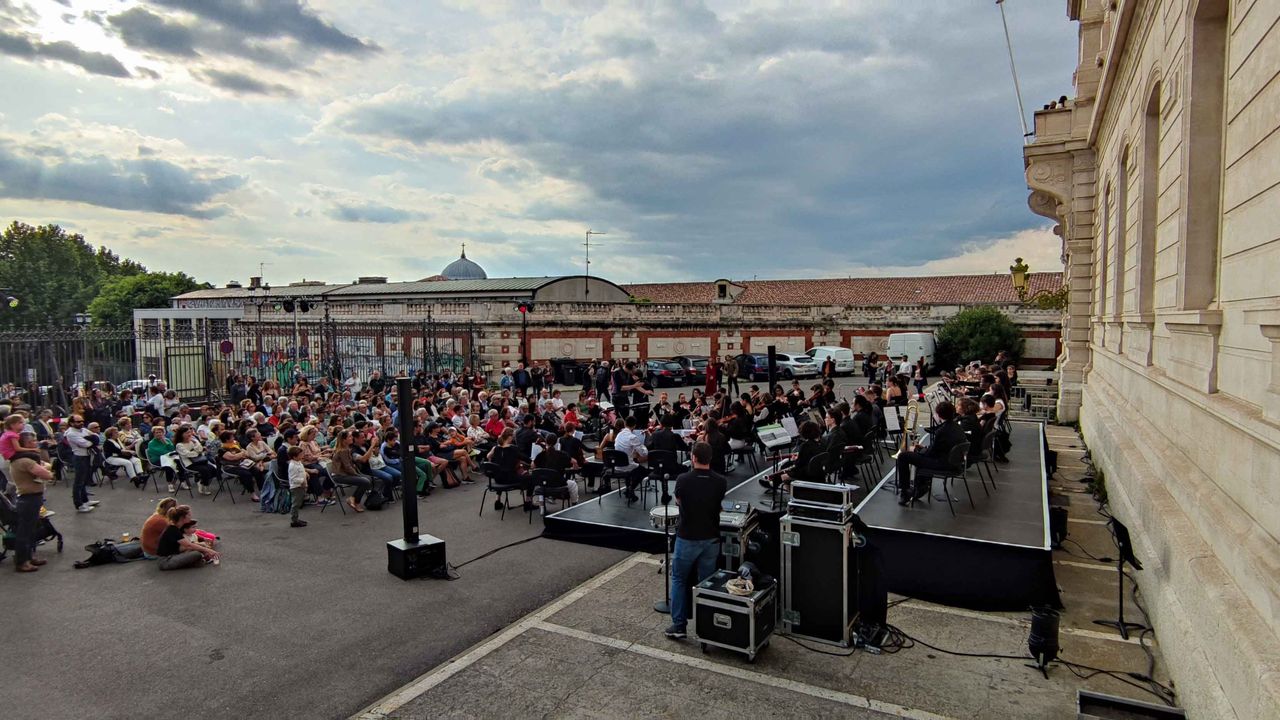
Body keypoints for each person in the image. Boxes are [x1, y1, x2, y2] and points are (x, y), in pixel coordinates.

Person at [664, 441, 727, 639]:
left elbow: (679, 501)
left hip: (688, 537)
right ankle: (706, 626)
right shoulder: (720, 481)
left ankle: (679, 626)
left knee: (679, 579)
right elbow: (719, 504)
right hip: (711, 537)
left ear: (693, 457)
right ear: (710, 458)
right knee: (706, 582)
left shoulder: (683, 479)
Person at [894, 401, 967, 505]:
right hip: (955, 462)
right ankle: (921, 485)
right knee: (918, 456)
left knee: (903, 456)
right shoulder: (957, 426)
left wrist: (918, 450)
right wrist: (923, 449)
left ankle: (905, 492)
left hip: (943, 464)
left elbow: (931, 454)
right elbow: (940, 448)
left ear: (939, 415)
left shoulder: (942, 430)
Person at [9, 431, 52, 572]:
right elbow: (46, 474)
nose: (36, 443)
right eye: (33, 441)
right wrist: (49, 471)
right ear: (26, 444)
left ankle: (28, 557)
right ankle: (22, 562)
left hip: (31, 497)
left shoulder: (24, 459)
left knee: (31, 530)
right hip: (29, 498)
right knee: (25, 532)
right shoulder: (25, 461)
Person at [156, 504, 219, 570]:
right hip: (166, 560)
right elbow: (188, 545)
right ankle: (198, 561)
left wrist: (203, 541)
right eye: (189, 515)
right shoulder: (173, 530)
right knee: (196, 554)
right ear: (182, 517)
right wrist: (209, 550)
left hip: (175, 553)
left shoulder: (178, 526)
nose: (191, 516)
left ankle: (197, 561)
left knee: (198, 548)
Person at [63, 413, 98, 513]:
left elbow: (96, 436)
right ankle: (79, 505)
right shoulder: (71, 433)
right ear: (71, 423)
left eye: (82, 421)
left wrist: (92, 439)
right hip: (79, 457)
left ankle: (85, 500)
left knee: (83, 481)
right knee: (78, 482)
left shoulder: (83, 430)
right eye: (78, 421)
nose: (81, 423)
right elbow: (86, 444)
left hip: (87, 456)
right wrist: (91, 440)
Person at [286, 445, 308, 527]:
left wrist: (305, 474)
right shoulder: (293, 466)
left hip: (301, 486)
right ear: (294, 457)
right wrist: (302, 481)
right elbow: (293, 478)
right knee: (295, 504)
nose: (302, 455)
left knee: (298, 503)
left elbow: (301, 471)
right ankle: (294, 520)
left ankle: (296, 518)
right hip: (296, 487)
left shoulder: (298, 462)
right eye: (300, 455)